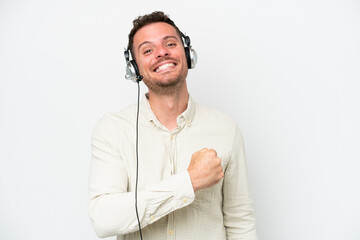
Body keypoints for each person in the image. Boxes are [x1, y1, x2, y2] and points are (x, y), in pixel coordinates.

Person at [89, 11, 258, 240]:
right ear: (135, 69)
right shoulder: (113, 130)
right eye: (148, 50)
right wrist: (187, 182)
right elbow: (103, 219)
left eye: (170, 43)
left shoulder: (225, 128)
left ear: (187, 54)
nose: (162, 52)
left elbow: (240, 220)